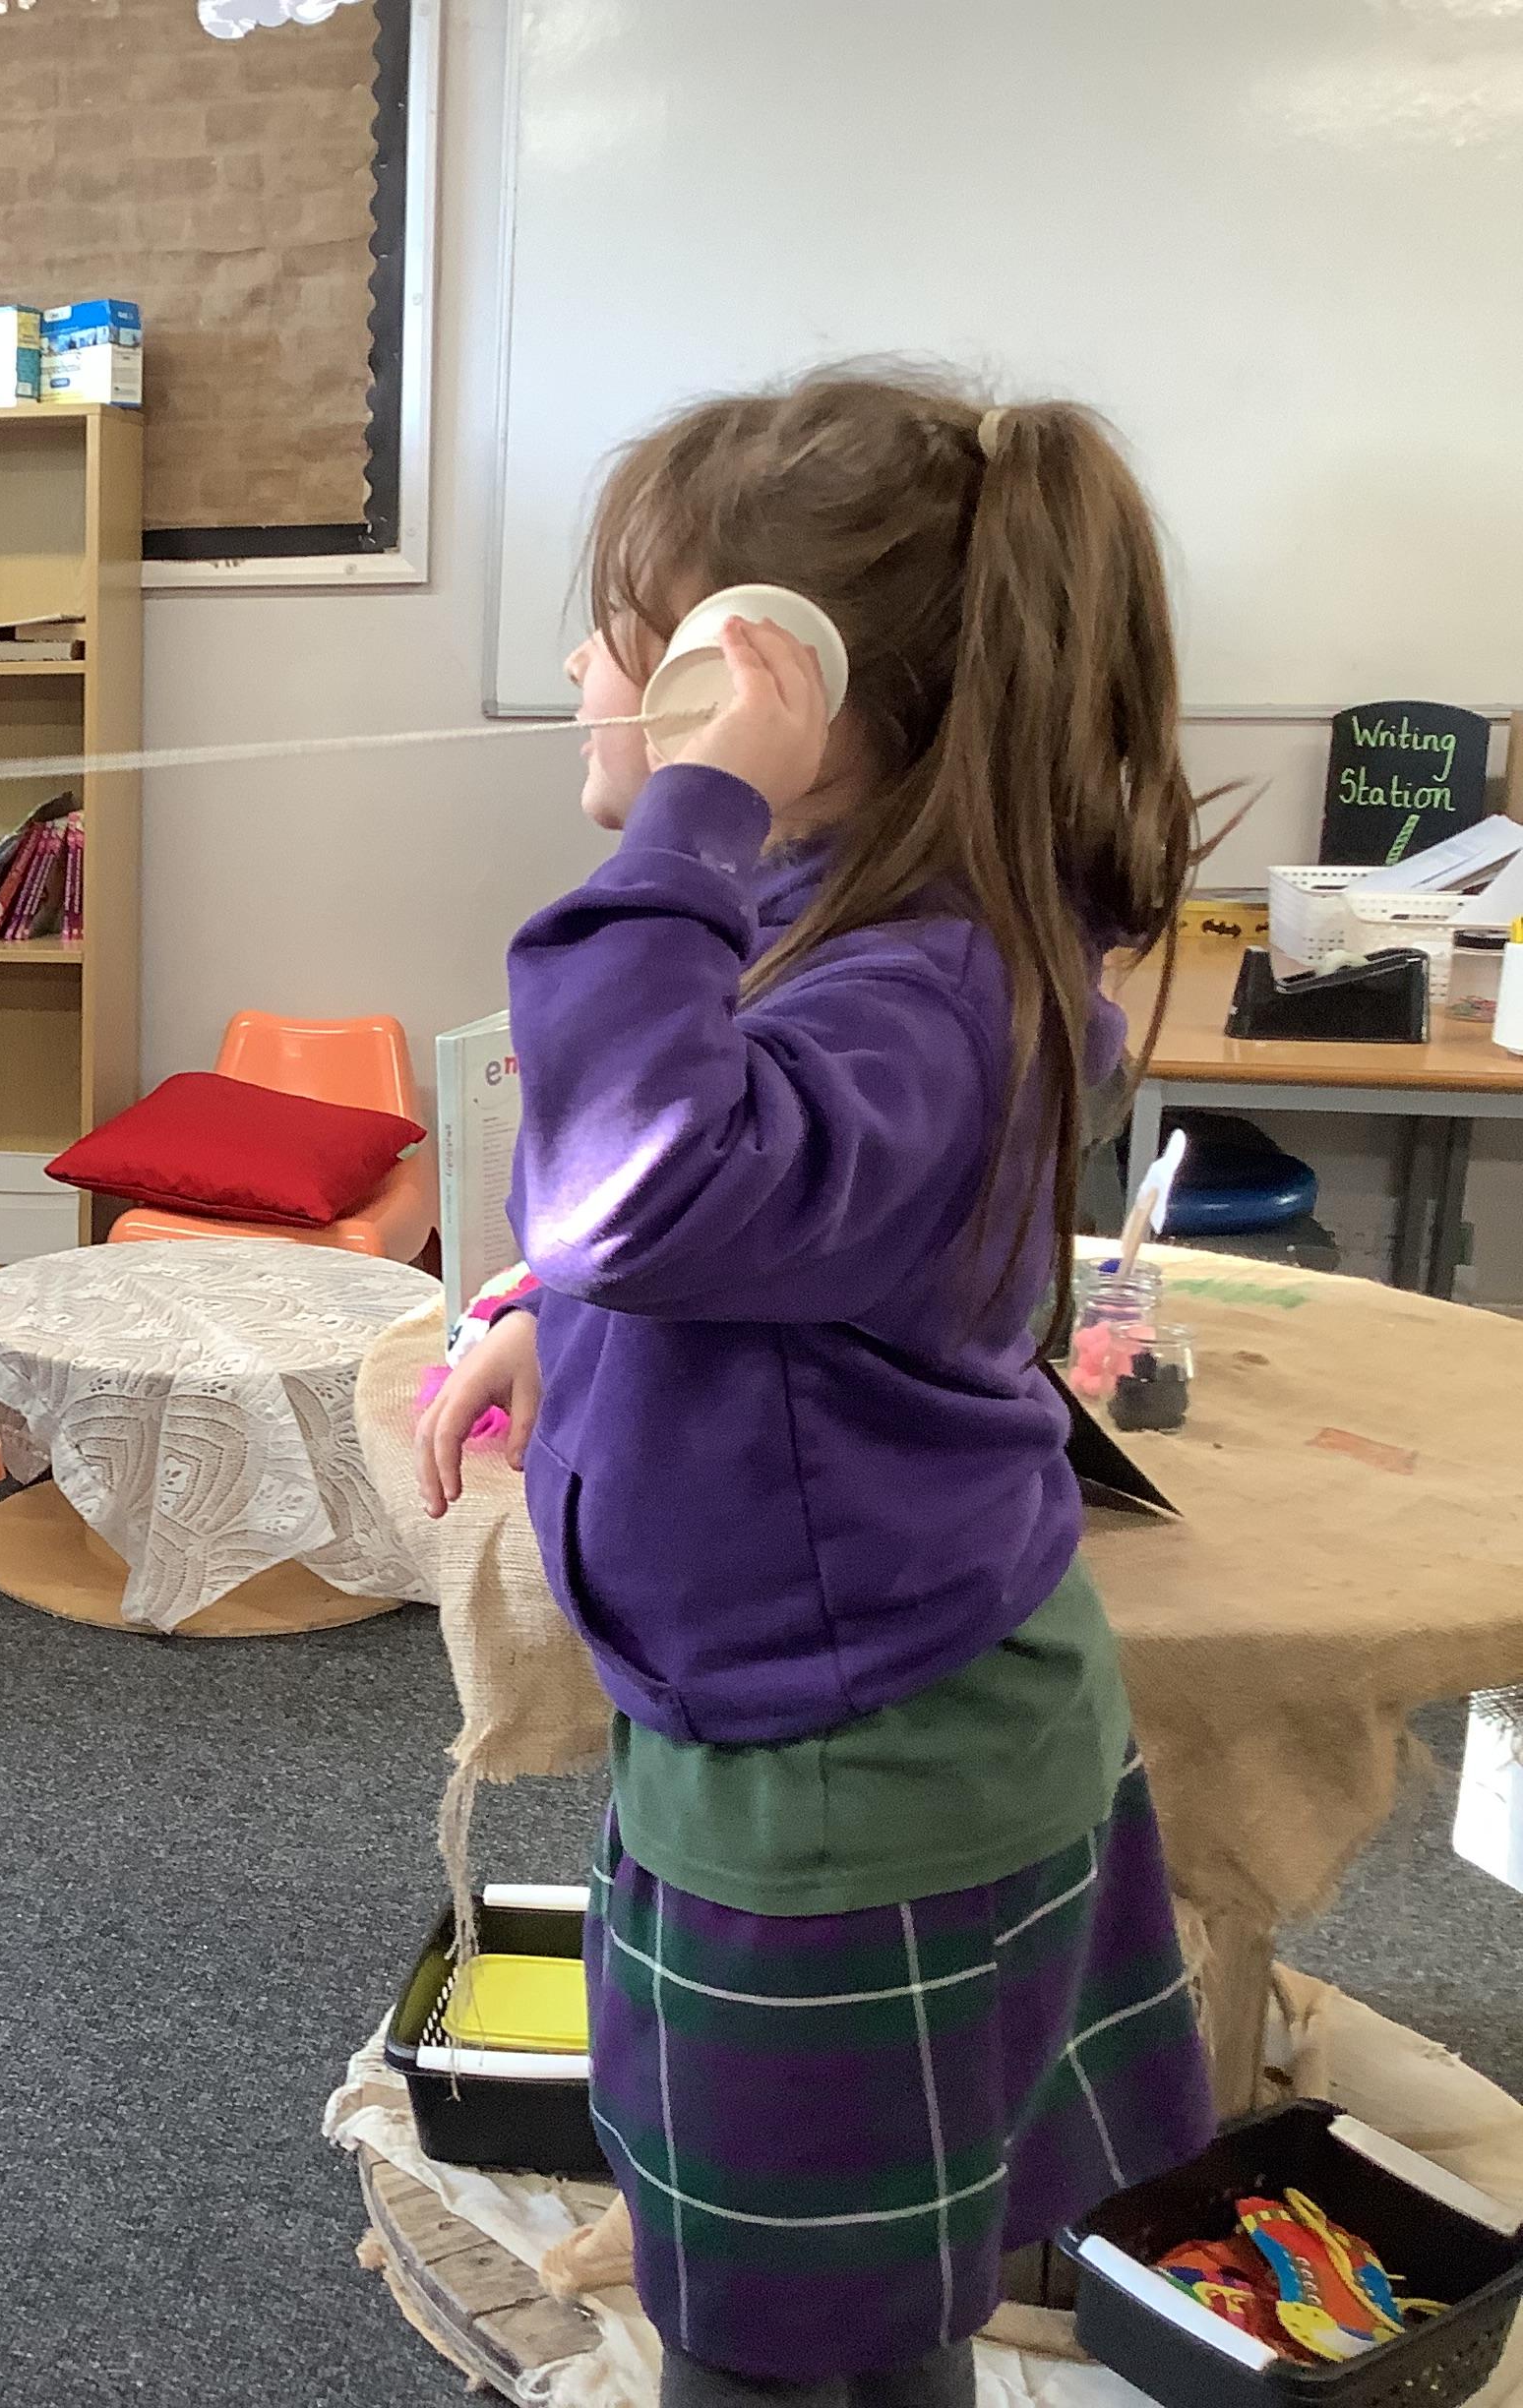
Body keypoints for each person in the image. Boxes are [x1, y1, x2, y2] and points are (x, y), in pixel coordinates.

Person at [412, 370, 1216, 2408]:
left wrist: (693, 808)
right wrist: (561, 1314)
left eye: (625, 634)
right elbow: (748, 1237)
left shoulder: (921, 981)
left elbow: (652, 1176)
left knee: (770, 2338)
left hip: (863, 1770)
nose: (582, 673)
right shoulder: (847, 939)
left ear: (759, 682)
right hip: (814, 1710)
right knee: (844, 2294)